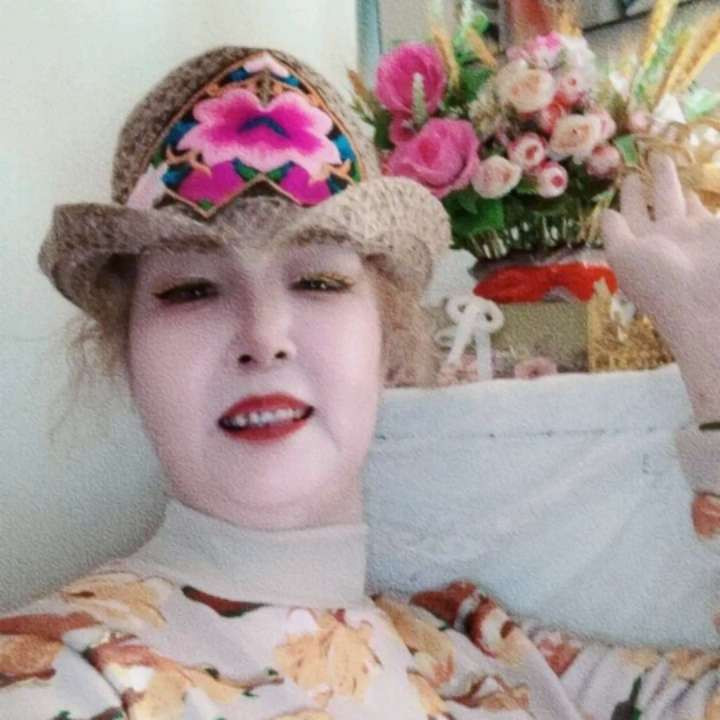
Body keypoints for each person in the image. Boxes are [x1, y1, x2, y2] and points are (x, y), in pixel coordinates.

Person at [0, 46, 718, 718]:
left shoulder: (472, 656)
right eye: (192, 290)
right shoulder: (58, 669)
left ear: (389, 342)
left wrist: (711, 353)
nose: (264, 337)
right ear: (127, 353)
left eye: (317, 280)